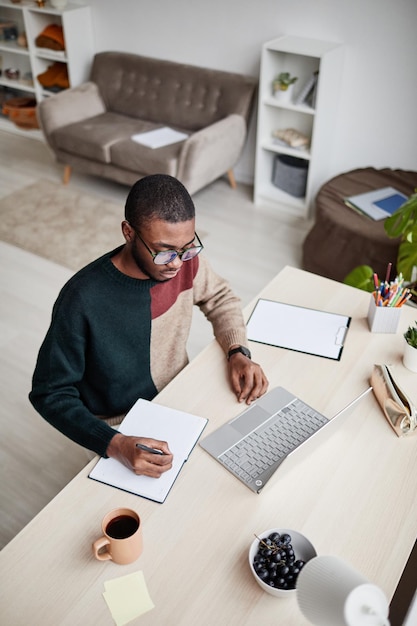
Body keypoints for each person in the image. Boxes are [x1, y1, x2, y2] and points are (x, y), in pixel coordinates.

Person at [29, 174, 268, 478]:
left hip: (179, 396)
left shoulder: (185, 260)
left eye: (187, 247)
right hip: (117, 425)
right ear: (128, 232)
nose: (177, 264)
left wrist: (237, 351)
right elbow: (50, 393)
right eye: (164, 250)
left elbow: (220, 297)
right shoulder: (82, 299)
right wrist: (114, 443)